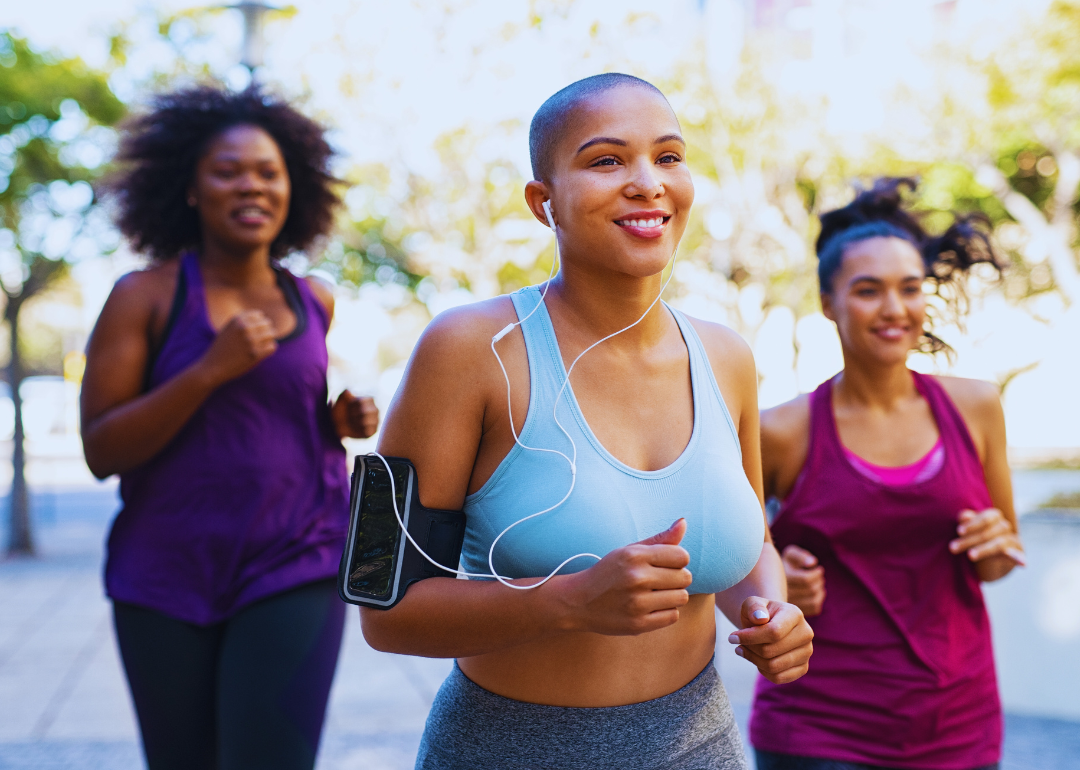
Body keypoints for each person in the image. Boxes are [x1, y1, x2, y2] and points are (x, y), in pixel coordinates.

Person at [362, 73, 814, 770]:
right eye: (607, 160)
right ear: (544, 202)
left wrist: (770, 609)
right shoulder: (463, 350)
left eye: (668, 157)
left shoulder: (727, 357)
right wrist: (568, 602)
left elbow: (747, 535)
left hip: (700, 746)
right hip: (507, 752)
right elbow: (381, 608)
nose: (648, 182)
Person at [81, 85, 378, 770]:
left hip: (295, 559)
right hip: (166, 571)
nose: (252, 185)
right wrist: (208, 370)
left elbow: (278, 418)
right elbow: (101, 450)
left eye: (268, 172)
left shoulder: (313, 299)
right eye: (228, 170)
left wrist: (338, 421)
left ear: (293, 188)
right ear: (190, 188)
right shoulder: (144, 297)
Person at [750, 178, 1023, 770]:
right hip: (820, 731)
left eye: (909, 288)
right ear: (829, 303)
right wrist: (773, 586)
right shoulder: (781, 431)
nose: (895, 309)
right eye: (869, 290)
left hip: (960, 723)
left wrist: (994, 543)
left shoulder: (975, 406)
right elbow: (736, 569)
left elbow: (1000, 562)